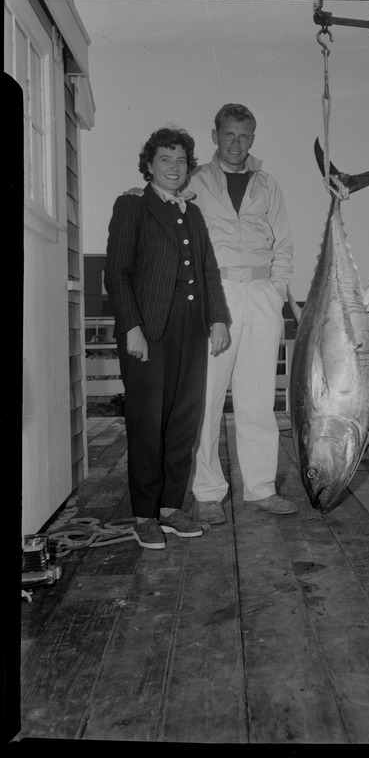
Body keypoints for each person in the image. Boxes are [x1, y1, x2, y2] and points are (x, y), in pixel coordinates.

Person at [104, 127, 230, 549]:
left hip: (191, 329)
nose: (174, 168)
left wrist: (217, 319)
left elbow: (208, 271)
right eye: (165, 160)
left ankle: (171, 508)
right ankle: (144, 514)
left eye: (181, 161)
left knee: (183, 419)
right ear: (149, 165)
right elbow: (117, 272)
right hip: (149, 330)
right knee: (147, 421)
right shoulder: (132, 206)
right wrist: (132, 328)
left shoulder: (192, 214)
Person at [186, 104, 297, 521]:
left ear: (254, 137)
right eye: (229, 135)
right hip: (216, 293)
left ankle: (260, 488)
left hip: (262, 293)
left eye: (245, 136)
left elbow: (283, 243)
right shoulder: (195, 180)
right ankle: (208, 491)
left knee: (258, 396)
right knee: (208, 395)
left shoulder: (267, 185)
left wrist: (277, 290)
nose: (237, 143)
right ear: (215, 135)